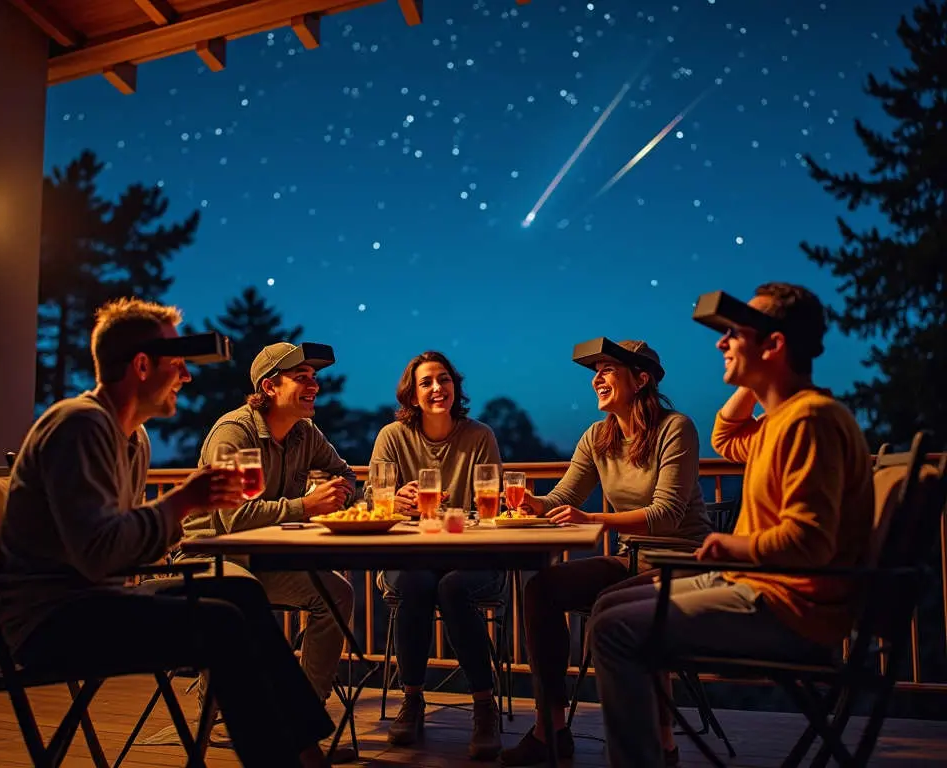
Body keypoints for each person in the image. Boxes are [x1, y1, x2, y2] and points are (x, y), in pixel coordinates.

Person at [0, 298, 335, 767]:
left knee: (240, 594)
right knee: (223, 622)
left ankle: (304, 749)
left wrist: (176, 516)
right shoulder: (79, 425)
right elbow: (99, 555)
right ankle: (284, 757)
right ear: (141, 366)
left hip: (99, 598)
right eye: (178, 364)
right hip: (52, 620)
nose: (188, 376)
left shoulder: (133, 438)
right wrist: (183, 501)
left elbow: (119, 547)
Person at [588, 283, 875, 768]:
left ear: (775, 344)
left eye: (734, 333)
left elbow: (808, 542)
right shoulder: (776, 421)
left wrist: (731, 547)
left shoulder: (809, 422)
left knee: (615, 628)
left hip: (789, 608)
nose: (720, 343)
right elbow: (725, 434)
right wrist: (760, 376)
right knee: (609, 604)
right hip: (763, 588)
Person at [501, 338, 711, 767]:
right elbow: (563, 496)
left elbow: (668, 515)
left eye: (607, 369)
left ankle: (661, 741)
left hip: (680, 560)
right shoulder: (598, 436)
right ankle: (551, 730)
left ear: (642, 378)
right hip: (628, 559)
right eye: (594, 371)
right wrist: (530, 502)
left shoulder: (677, 428)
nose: (597, 378)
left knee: (621, 607)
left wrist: (593, 520)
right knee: (543, 588)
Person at [180, 341, 357, 704]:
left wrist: (337, 493)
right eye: (300, 377)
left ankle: (306, 715)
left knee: (338, 593)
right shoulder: (233, 432)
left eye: (314, 378)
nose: (314, 385)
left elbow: (345, 475)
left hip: (266, 560)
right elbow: (233, 520)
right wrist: (305, 505)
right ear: (270, 386)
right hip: (209, 561)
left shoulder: (305, 432)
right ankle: (220, 706)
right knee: (242, 595)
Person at [370, 351, 505, 760]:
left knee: (451, 587)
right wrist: (394, 499)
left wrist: (454, 516)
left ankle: (484, 705)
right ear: (411, 395)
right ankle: (412, 700)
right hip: (411, 555)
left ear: (455, 387)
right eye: (426, 382)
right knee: (415, 583)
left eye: (444, 380)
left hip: (471, 556)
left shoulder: (479, 435)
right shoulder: (392, 437)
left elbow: (491, 506)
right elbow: (372, 497)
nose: (437, 388)